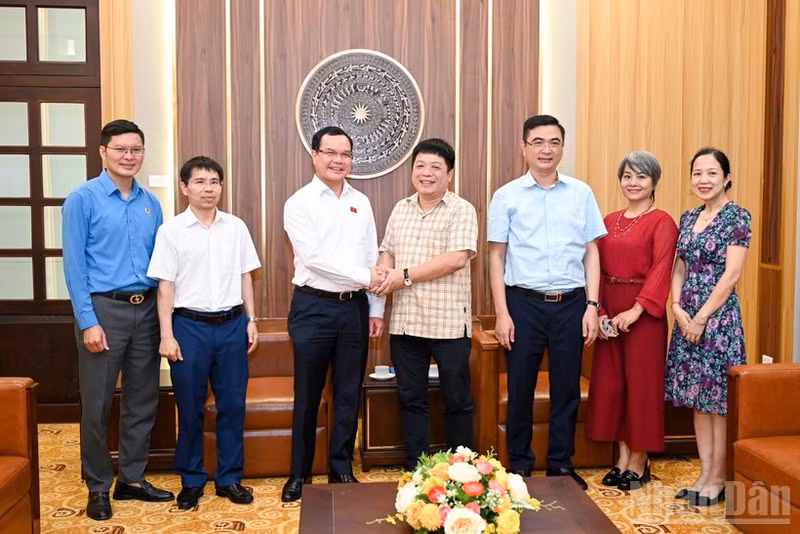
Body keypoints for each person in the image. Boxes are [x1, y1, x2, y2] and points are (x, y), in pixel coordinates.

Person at [62, 119, 174, 521]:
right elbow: (74, 266)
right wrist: (87, 320)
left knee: (143, 399)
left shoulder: (151, 203)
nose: (129, 156)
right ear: (103, 152)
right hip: (103, 311)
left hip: (146, 309)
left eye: (136, 149)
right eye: (121, 149)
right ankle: (97, 486)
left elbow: (162, 264)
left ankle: (132, 479)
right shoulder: (82, 199)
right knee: (97, 404)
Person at [487, 114, 606, 490]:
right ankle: (520, 466)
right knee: (520, 388)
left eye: (554, 142)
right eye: (537, 142)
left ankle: (560, 465)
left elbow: (592, 252)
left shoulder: (581, 193)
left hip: (571, 303)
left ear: (562, 148)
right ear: (523, 148)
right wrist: (502, 313)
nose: (546, 149)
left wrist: (592, 305)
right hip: (523, 304)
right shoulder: (506, 196)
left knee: (566, 389)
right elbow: (496, 257)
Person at [147, 156, 261, 509]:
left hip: (231, 326)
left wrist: (252, 319)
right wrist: (167, 335)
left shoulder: (236, 227)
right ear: (184, 187)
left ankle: (229, 478)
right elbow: (165, 287)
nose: (208, 188)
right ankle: (192, 480)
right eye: (199, 182)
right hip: (189, 328)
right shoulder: (171, 231)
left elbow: (246, 276)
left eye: (214, 182)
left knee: (232, 406)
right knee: (190, 407)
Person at [281, 126, 386, 502]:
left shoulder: (362, 201)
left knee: (347, 392)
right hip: (313, 307)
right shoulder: (299, 202)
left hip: (354, 308)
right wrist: (366, 277)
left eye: (345, 154)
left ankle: (340, 469)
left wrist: (375, 307)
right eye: (330, 152)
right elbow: (315, 259)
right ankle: (299, 473)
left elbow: (372, 255)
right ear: (314, 155)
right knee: (307, 395)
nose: (338, 160)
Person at [373, 138, 478, 471]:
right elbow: (388, 250)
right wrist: (384, 271)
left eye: (435, 167)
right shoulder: (401, 208)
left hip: (448, 324)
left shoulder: (462, 209)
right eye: (420, 166)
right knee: (411, 399)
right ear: (412, 171)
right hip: (406, 322)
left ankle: (462, 471)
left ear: (450, 174)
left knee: (457, 400)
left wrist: (403, 276)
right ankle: (417, 469)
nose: (426, 173)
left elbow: (456, 259)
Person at [585, 151, 678, 490]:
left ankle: (640, 460)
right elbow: (595, 267)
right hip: (609, 309)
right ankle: (622, 457)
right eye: (627, 176)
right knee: (614, 386)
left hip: (644, 315)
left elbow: (662, 269)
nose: (633, 183)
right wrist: (600, 311)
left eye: (641, 176)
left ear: (654, 182)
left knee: (642, 387)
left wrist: (636, 311)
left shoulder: (663, 221)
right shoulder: (609, 220)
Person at [666, 148, 750, 506]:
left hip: (718, 320)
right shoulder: (688, 217)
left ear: (726, 178)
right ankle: (704, 474)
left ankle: (718, 479)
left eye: (712, 173)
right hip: (686, 318)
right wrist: (676, 307)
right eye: (697, 173)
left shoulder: (737, 217)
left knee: (717, 402)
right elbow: (679, 267)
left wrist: (701, 317)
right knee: (697, 400)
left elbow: (732, 274)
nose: (704, 180)